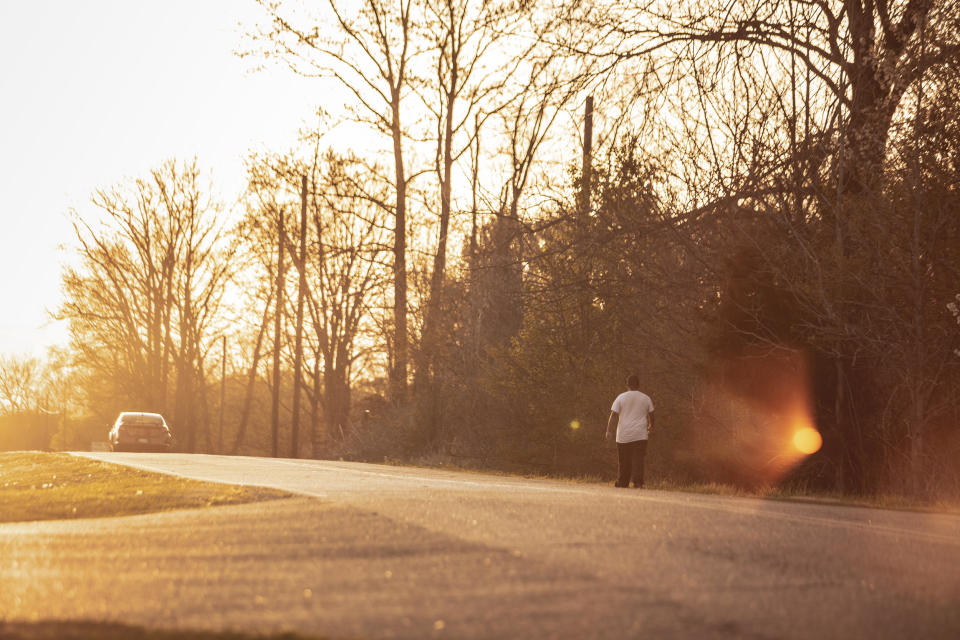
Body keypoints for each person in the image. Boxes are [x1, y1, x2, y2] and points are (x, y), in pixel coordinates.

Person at [605, 374, 655, 488]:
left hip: (623, 434)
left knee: (624, 460)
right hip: (640, 434)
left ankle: (623, 482)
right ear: (638, 384)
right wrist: (652, 425)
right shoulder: (646, 398)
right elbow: (651, 414)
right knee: (638, 459)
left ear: (627, 385)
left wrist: (609, 430)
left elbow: (613, 415)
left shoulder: (621, 397)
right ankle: (638, 482)